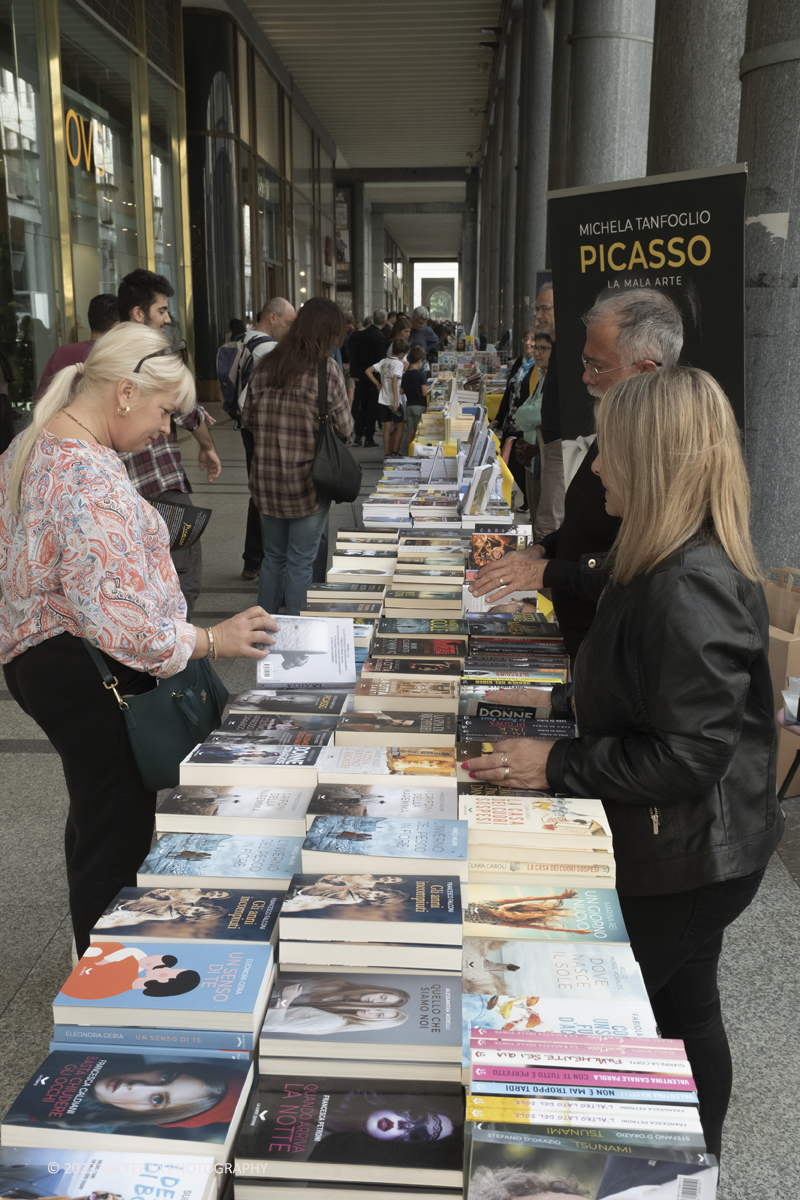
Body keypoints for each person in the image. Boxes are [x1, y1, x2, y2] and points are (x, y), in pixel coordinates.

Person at [462, 366, 785, 1160]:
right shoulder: (657, 556)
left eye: (610, 452)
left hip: (689, 854)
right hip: (690, 842)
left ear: (655, 460)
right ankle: (695, 1164)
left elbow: (691, 753)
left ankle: (662, 1160)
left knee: (620, 1008)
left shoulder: (688, 583)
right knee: (687, 1001)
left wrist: (558, 763)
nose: (596, 469)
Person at [0, 321, 278, 955]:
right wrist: (213, 640)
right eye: (164, 412)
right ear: (125, 393)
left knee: (97, 806)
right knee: (117, 824)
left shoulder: (33, 443)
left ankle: (91, 946)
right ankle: (107, 976)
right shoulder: (89, 481)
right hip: (90, 671)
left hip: (42, 658)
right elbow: (128, 628)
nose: (166, 430)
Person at [470, 290, 684, 663]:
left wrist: (552, 572)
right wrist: (544, 548)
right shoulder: (615, 427)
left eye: (598, 366)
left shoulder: (666, 458)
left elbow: (640, 581)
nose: (585, 376)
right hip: (580, 649)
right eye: (585, 361)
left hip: (612, 658)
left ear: (645, 371)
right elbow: (587, 524)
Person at [116, 269, 221, 620]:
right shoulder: (151, 356)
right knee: (183, 575)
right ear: (138, 313)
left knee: (135, 579)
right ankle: (175, 651)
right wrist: (207, 447)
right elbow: (186, 410)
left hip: (118, 491)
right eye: (161, 310)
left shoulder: (104, 353)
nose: (167, 318)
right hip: (158, 483)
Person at [243, 296, 353, 615]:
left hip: (266, 481)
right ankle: (294, 636)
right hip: (307, 483)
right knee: (301, 562)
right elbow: (345, 430)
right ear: (328, 334)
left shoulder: (266, 363)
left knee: (273, 558)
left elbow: (247, 417)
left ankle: (263, 630)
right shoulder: (325, 370)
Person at [237, 297, 297, 581]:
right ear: (271, 318)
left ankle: (253, 560)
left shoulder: (241, 340)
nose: (290, 328)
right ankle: (261, 558)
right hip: (264, 427)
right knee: (264, 494)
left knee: (256, 491)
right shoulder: (269, 349)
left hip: (244, 423)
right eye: (287, 322)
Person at [35, 293, 119, 399]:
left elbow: (42, 399)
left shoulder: (61, 353)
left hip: (62, 415)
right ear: (117, 326)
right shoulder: (118, 357)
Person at [491, 327, 539, 511]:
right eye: (525, 338)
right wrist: (498, 418)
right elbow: (508, 393)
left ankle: (529, 501)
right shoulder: (519, 362)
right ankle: (523, 498)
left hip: (524, 424)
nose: (528, 343)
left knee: (523, 462)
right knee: (507, 461)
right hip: (510, 421)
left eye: (532, 339)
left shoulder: (538, 367)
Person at [514, 333, 551, 524]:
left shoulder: (554, 379)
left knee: (541, 516)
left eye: (543, 348)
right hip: (531, 455)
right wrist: (524, 415)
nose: (537, 352)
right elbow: (522, 412)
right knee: (535, 514)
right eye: (536, 348)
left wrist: (524, 415)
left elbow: (537, 413)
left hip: (542, 456)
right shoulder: (541, 376)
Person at [366, 336, 409, 459]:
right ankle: (395, 451)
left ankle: (387, 454)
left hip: (382, 401)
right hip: (393, 402)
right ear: (401, 353)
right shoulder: (399, 364)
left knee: (387, 427)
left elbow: (368, 371)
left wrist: (378, 384)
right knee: (400, 425)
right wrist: (396, 402)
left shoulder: (383, 361)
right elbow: (395, 382)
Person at [350, 313, 386, 446]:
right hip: (374, 376)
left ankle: (358, 433)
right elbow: (380, 361)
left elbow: (356, 354)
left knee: (363, 405)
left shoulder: (362, 334)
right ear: (384, 321)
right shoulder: (380, 337)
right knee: (372, 407)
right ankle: (369, 438)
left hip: (362, 374)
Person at [400, 345, 431, 442]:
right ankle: (416, 454)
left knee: (410, 432)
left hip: (409, 406)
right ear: (419, 361)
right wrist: (431, 388)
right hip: (420, 406)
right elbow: (424, 393)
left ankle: (409, 453)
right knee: (419, 432)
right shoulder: (421, 375)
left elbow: (401, 391)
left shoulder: (405, 375)